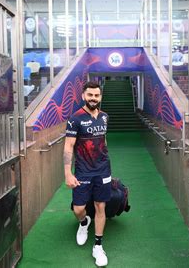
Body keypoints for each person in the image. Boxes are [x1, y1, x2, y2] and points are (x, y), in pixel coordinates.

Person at [64, 81, 111, 267]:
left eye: (96, 95)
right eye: (90, 95)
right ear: (84, 95)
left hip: (103, 170)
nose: (93, 98)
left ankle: (98, 245)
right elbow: (68, 146)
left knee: (101, 206)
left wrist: (105, 156)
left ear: (100, 97)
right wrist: (68, 173)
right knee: (79, 209)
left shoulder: (105, 117)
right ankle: (84, 223)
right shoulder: (74, 119)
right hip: (83, 170)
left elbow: (104, 140)